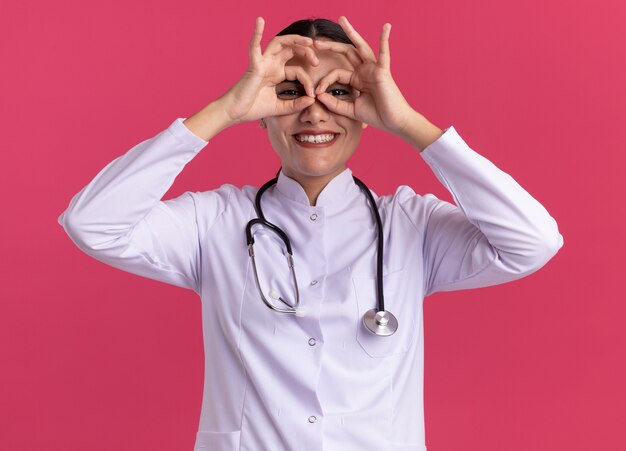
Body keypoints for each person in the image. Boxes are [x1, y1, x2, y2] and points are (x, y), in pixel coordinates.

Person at [58, 16, 563, 451]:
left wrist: (408, 122)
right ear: (261, 110)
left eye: (339, 92)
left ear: (367, 109)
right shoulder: (214, 223)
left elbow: (533, 240)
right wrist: (223, 110)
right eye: (289, 91)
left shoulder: (412, 225)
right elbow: (92, 222)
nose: (315, 110)